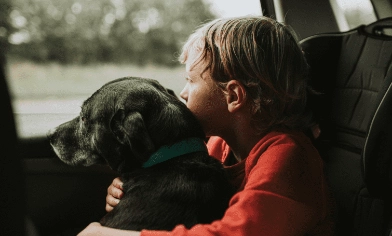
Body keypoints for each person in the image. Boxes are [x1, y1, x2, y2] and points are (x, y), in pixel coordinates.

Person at [78, 16, 335, 236]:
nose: (183, 93)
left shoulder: (288, 155)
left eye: (191, 80)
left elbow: (236, 233)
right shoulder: (218, 143)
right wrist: (134, 190)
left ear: (233, 96)